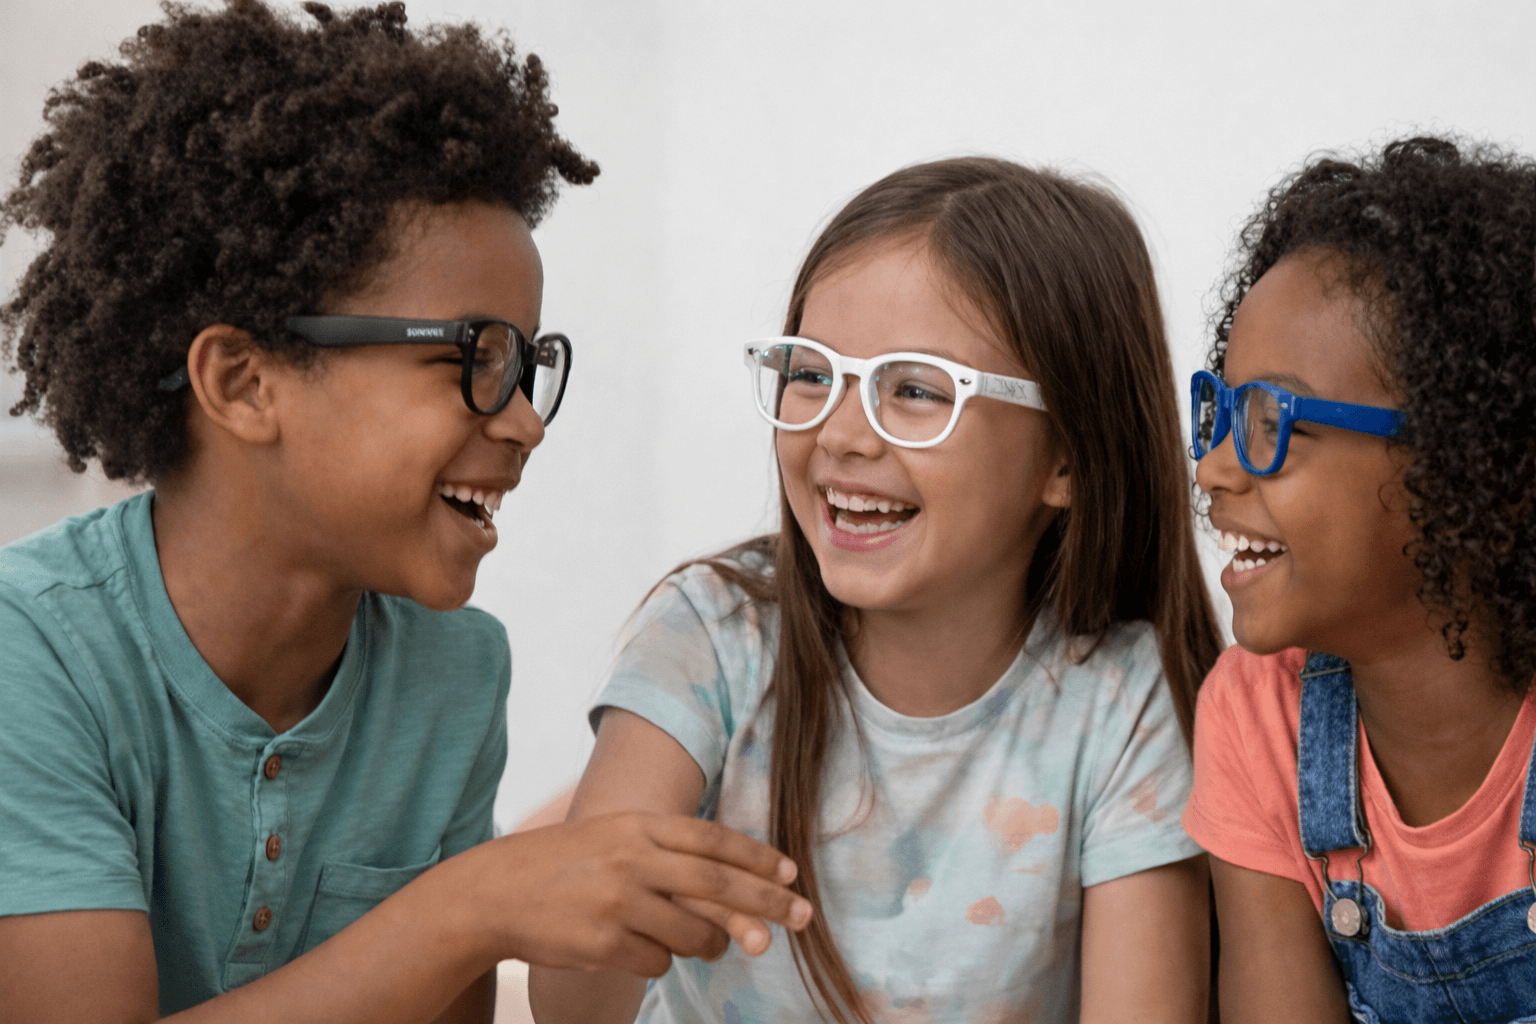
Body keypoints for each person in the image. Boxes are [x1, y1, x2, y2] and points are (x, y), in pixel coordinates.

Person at [0, 3, 810, 1021]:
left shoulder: (454, 670)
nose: (524, 422)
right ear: (246, 383)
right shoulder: (31, 654)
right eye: (473, 360)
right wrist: (476, 904)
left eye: (527, 366)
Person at [529, 157, 1224, 1024]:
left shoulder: (1124, 702)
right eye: (813, 372)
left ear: (1068, 456)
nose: (842, 433)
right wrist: (614, 903)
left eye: (917, 391)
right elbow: (571, 1009)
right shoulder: (710, 633)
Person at [1182, 136, 1536, 1023]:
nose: (1214, 471)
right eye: (1221, 415)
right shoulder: (1257, 716)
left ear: (1466, 464)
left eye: (1274, 422)